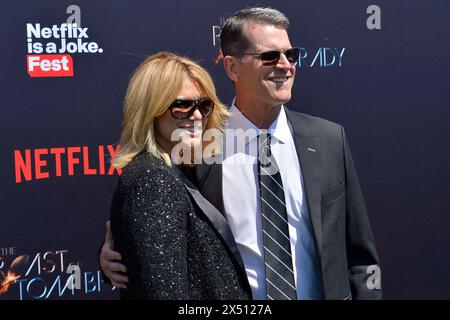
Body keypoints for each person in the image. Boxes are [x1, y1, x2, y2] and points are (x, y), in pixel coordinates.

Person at [100, 7, 382, 300]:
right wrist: (115, 255)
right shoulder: (200, 146)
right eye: (270, 56)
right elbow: (159, 225)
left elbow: (360, 255)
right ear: (232, 67)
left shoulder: (328, 139)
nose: (285, 65)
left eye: (291, 54)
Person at [107, 51, 251, 299]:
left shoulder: (183, 169)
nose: (196, 116)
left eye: (204, 106)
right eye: (182, 106)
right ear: (151, 110)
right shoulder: (153, 179)